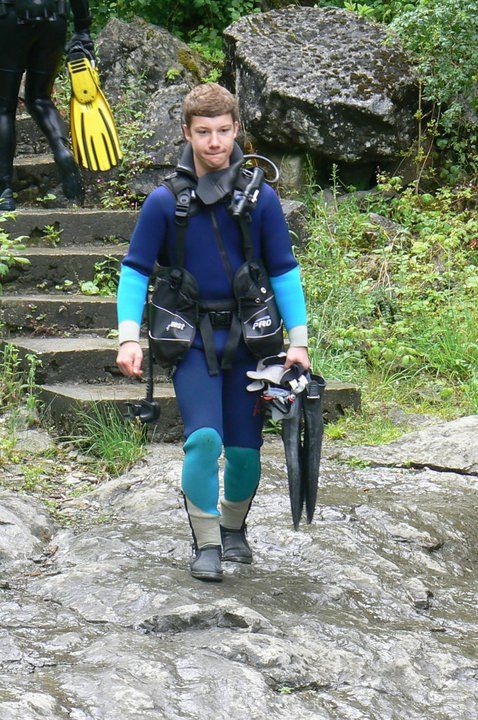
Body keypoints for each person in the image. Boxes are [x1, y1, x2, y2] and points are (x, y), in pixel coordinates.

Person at [116, 83, 310, 582]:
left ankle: (233, 529)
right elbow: (136, 271)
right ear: (187, 133)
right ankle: (205, 542)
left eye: (223, 130)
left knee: (244, 450)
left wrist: (299, 341)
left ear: (237, 130)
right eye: (203, 132)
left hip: (251, 339)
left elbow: (284, 270)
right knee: (204, 440)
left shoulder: (260, 199)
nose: (215, 142)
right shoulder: (164, 203)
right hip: (192, 340)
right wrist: (128, 337)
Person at [0, 0, 93, 211]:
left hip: (10, 16)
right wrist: (82, 27)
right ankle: (63, 152)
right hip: (53, 17)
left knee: (3, 108)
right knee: (40, 98)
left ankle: (3, 191)